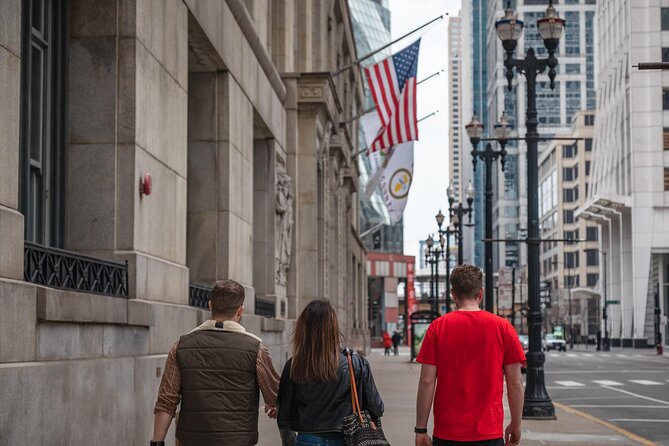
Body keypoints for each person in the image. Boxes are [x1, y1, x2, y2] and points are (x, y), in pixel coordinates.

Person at [150, 280, 280, 446]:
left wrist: (157, 442)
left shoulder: (181, 346)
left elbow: (166, 400)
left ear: (210, 305)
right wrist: (274, 404)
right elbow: (274, 394)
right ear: (240, 310)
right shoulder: (256, 350)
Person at [414, 265, 526, 446]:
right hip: (489, 432)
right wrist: (516, 423)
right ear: (480, 293)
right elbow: (515, 383)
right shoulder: (504, 328)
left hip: (448, 432)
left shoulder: (438, 328)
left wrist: (421, 430)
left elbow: (427, 382)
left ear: (453, 294)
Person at [277, 299, 385, 446]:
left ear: (303, 329)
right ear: (333, 328)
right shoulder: (356, 363)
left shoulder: (294, 365)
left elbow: (283, 415)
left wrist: (289, 441)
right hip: (346, 439)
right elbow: (377, 407)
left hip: (307, 440)